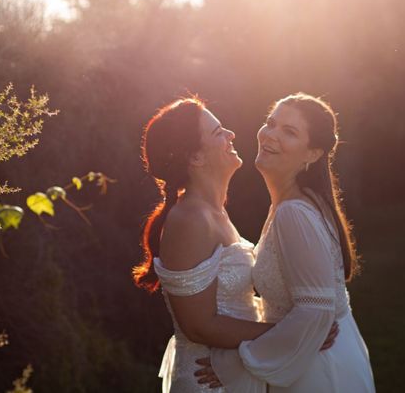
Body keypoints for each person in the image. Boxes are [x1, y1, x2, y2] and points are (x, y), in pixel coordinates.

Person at [133, 96, 338, 392]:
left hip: (236, 370)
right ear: (196, 158)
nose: (230, 134)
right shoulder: (189, 220)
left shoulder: (215, 212)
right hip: (210, 378)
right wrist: (293, 335)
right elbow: (198, 326)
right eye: (218, 133)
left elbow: (231, 300)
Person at [202, 93, 376, 392]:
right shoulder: (291, 205)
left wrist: (239, 363)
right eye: (271, 123)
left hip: (317, 371)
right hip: (307, 358)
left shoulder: (293, 213)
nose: (271, 135)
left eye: (289, 132)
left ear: (313, 153)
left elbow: (315, 311)